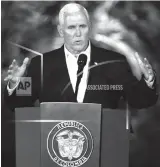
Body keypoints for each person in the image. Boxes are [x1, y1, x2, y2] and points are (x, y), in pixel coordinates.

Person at [4, 3, 158, 110]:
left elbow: (139, 101)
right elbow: (18, 104)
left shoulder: (116, 61)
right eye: (71, 27)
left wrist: (148, 81)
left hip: (105, 147)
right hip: (51, 147)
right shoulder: (39, 64)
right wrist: (14, 85)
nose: (77, 33)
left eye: (82, 26)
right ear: (61, 31)